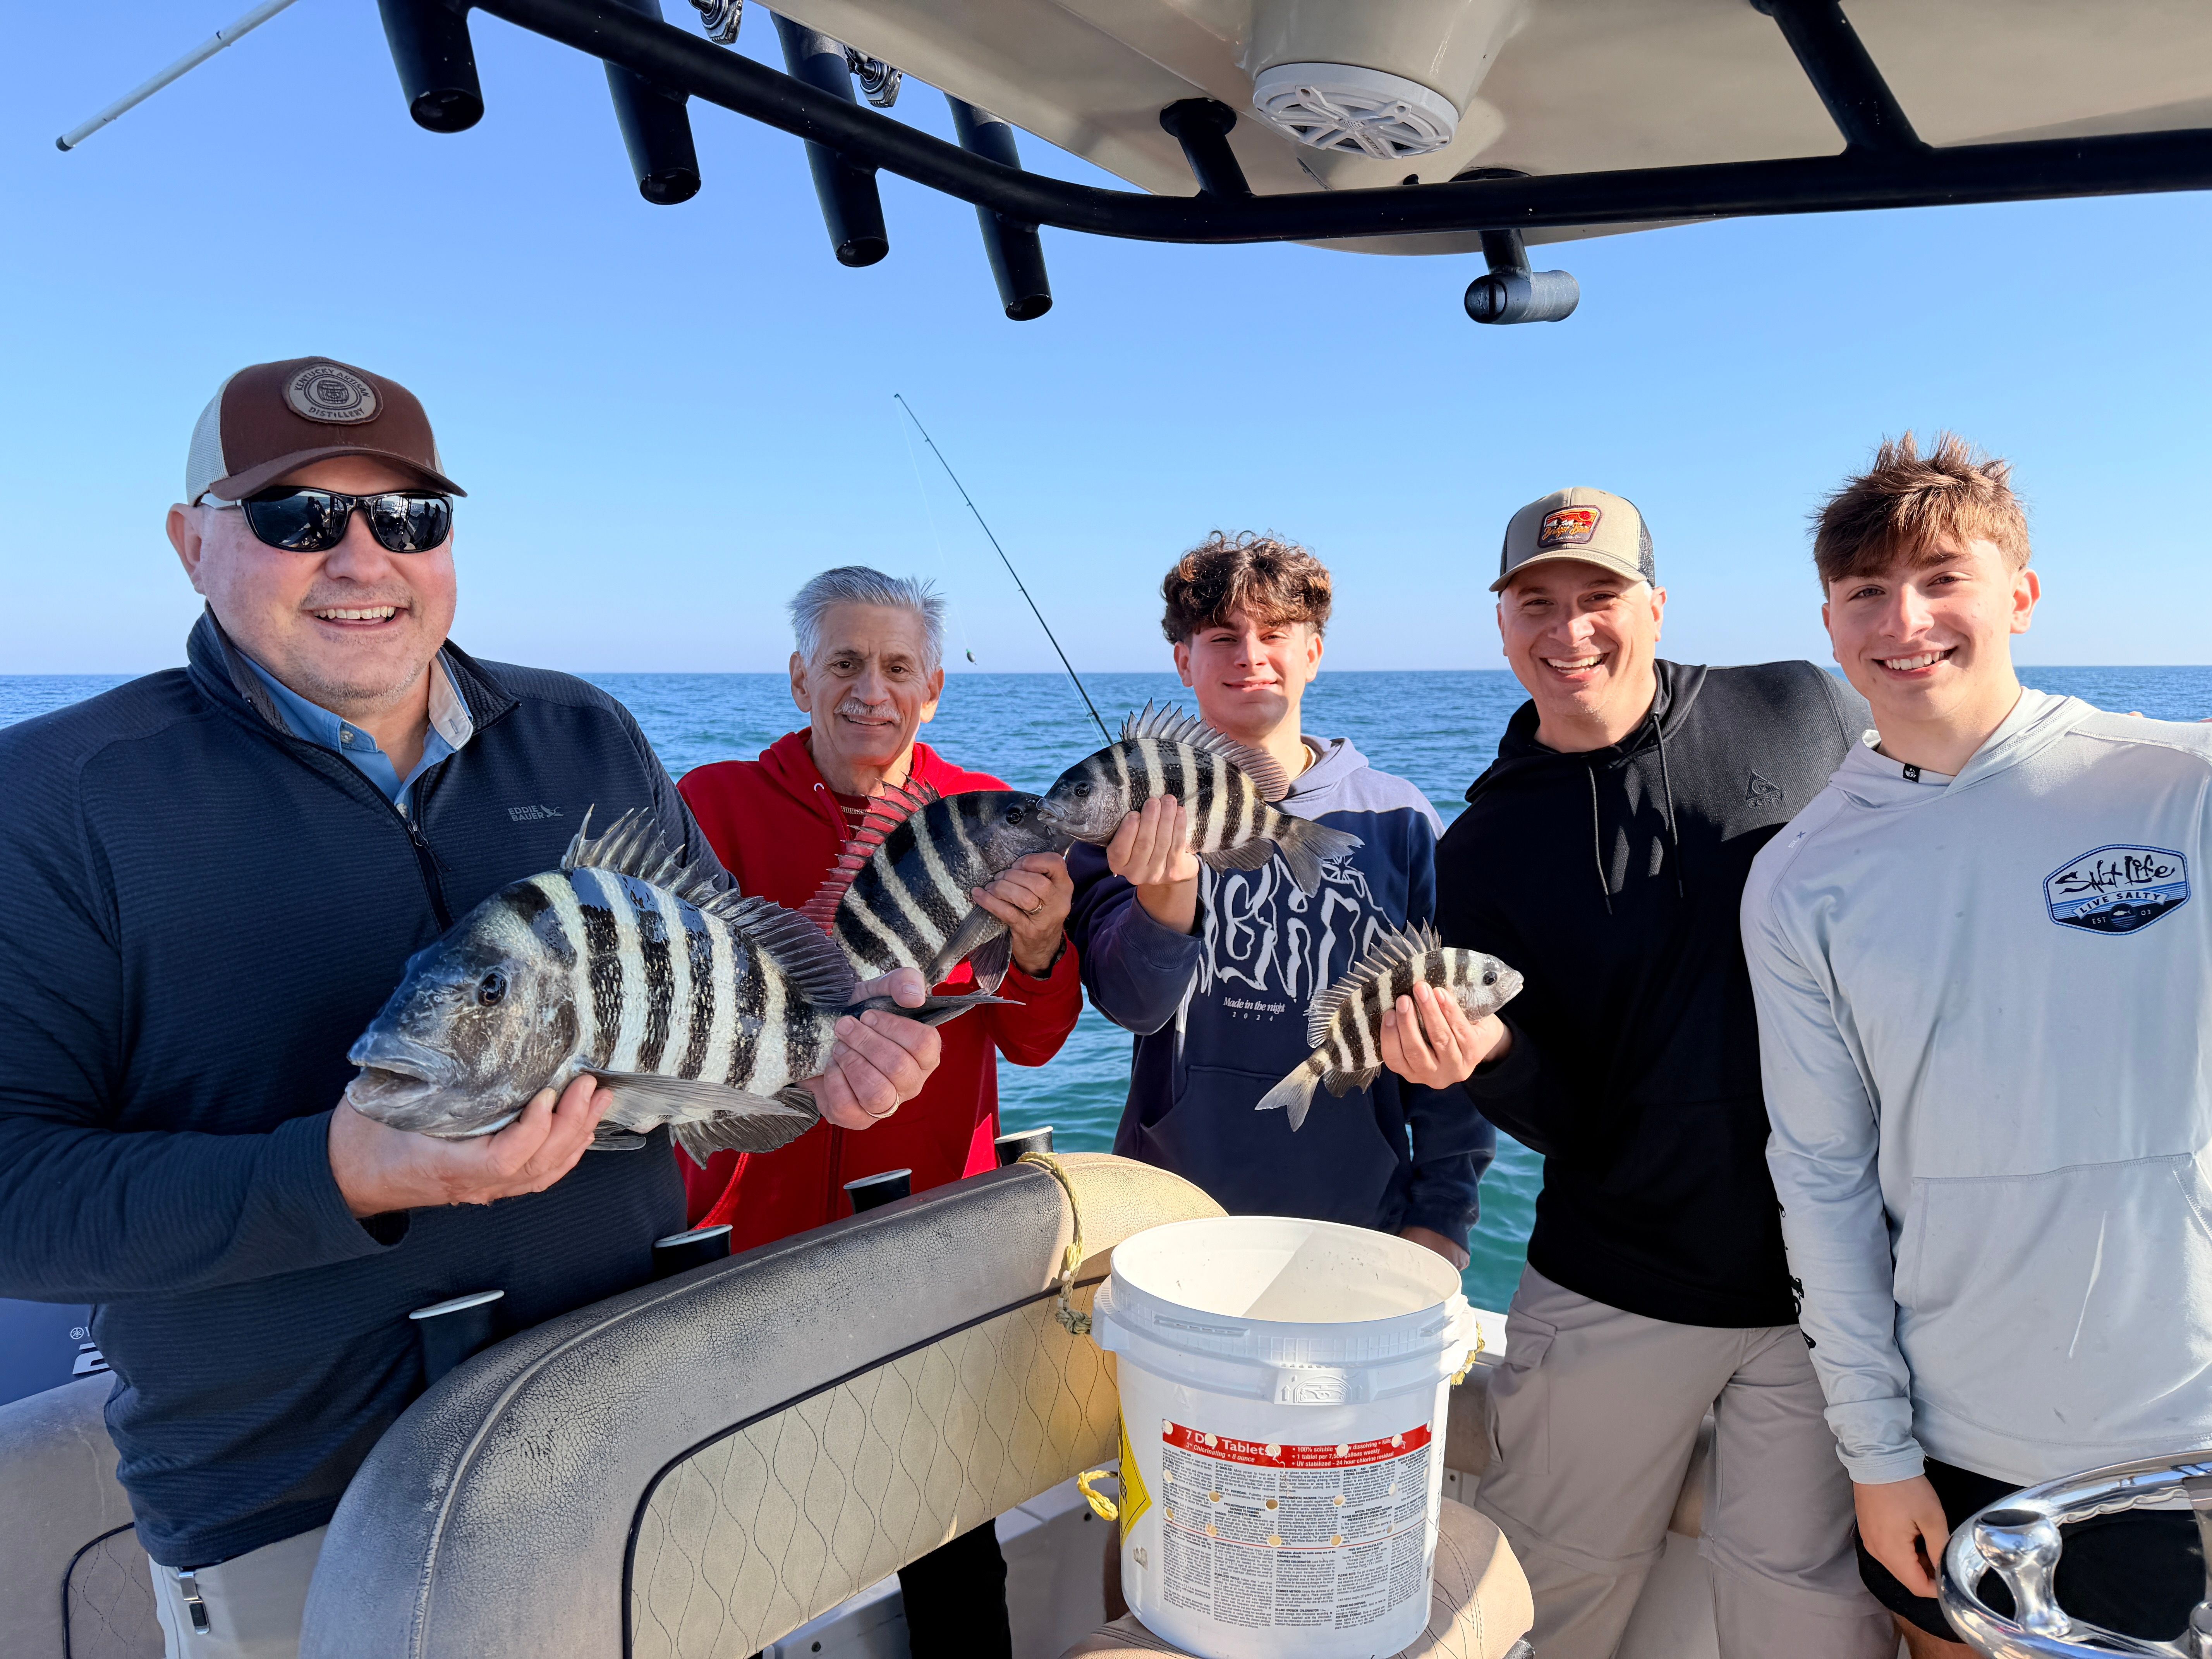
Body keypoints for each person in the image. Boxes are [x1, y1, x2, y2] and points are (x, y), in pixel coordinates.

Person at [0, 359, 942, 1659]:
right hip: (300, 1517)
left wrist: (828, 1042)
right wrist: (340, 1174)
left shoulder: (583, 733)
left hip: (640, 1440)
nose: (362, 558)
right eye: (296, 517)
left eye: (410, 517)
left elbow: (723, 980)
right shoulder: (59, 798)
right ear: (192, 541)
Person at [1744, 434, 2212, 1653]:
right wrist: (1878, 1454)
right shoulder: (1798, 876)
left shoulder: (2182, 785)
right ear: (1831, 624)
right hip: (1954, 1440)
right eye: (1866, 591)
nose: (1906, 620)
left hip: (2189, 1428)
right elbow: (1824, 1178)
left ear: (2022, 593)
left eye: (1944, 577)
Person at [1429, 488, 1891, 1657]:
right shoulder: (1481, 848)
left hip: (1833, 1291)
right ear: (1502, 623)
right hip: (1612, 1285)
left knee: (1811, 1624)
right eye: (1538, 602)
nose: (1570, 629)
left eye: (1601, 595)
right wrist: (1491, 1057)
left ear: (1656, 605)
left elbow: (1930, 837)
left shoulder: (1800, 704)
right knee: (1539, 1607)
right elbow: (1569, 1114)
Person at [675, 565, 1080, 1659]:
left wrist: (1041, 942)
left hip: (928, 1233)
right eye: (846, 663)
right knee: (732, 1532)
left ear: (934, 688)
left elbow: (1036, 1039)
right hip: (749, 1233)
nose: (872, 690)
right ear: (798, 677)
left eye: (899, 667)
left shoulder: (992, 816)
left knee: (950, 1531)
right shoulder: (713, 804)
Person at [1064, 532, 1492, 1269]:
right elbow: (1133, 1006)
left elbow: (1452, 1030)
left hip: (1361, 1224)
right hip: (1170, 1220)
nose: (1250, 656)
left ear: (1313, 653)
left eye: (1275, 634)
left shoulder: (1401, 821)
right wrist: (1166, 895)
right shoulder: (1125, 812)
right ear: (1183, 662)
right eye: (1222, 637)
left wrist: (1444, 1220)